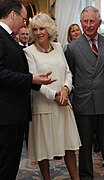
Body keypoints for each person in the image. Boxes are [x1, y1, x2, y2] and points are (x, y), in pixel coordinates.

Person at [0, 1, 56, 180]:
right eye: (23, 19)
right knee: (5, 164)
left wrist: (36, 81)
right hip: (6, 114)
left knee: (10, 163)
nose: (24, 24)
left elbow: (16, 73)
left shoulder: (7, 37)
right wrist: (31, 79)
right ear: (13, 15)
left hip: (13, 113)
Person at [65, 6, 104, 180]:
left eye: (92, 21)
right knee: (85, 146)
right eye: (85, 21)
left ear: (99, 22)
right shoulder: (72, 48)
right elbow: (71, 74)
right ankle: (86, 177)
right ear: (81, 22)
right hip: (84, 103)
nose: (88, 25)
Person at [24, 13, 81, 180]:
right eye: (35, 29)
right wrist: (54, 94)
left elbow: (68, 72)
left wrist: (65, 89)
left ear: (49, 30)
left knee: (68, 145)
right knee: (43, 149)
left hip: (63, 104)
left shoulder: (58, 46)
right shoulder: (28, 52)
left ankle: (75, 178)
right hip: (43, 106)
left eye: (42, 28)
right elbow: (34, 80)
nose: (38, 32)